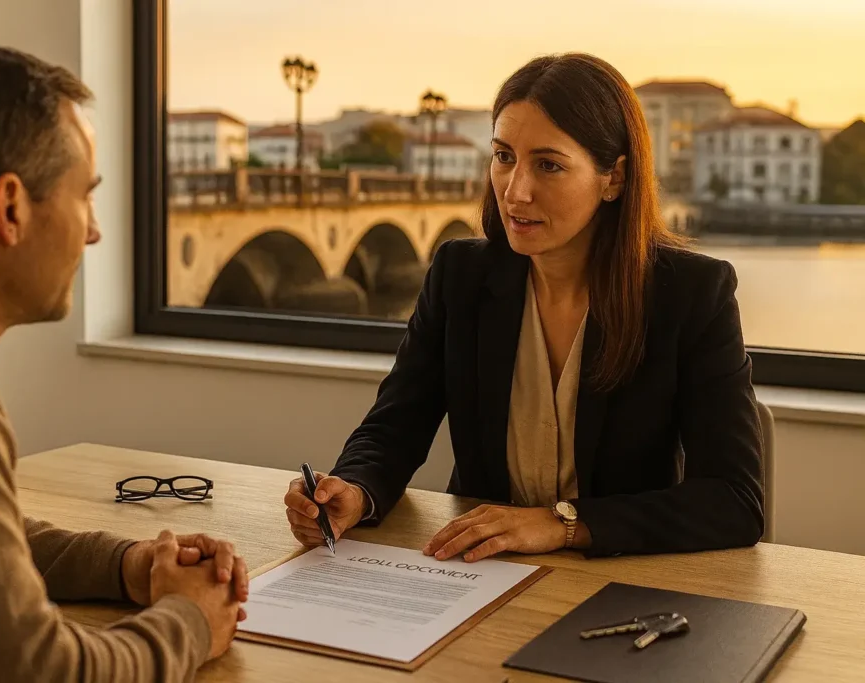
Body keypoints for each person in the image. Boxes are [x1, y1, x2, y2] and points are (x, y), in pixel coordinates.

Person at [0, 44, 248, 682]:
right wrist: (190, 620)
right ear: (10, 208)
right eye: (84, 195)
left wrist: (129, 563)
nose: (93, 232)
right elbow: (35, 673)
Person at [284, 53, 764, 561]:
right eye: (504, 156)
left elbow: (734, 501)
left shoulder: (691, 294)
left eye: (548, 165)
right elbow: (395, 425)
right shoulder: (459, 275)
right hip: (478, 575)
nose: (516, 191)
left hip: (625, 583)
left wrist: (563, 525)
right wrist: (354, 491)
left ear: (614, 178)